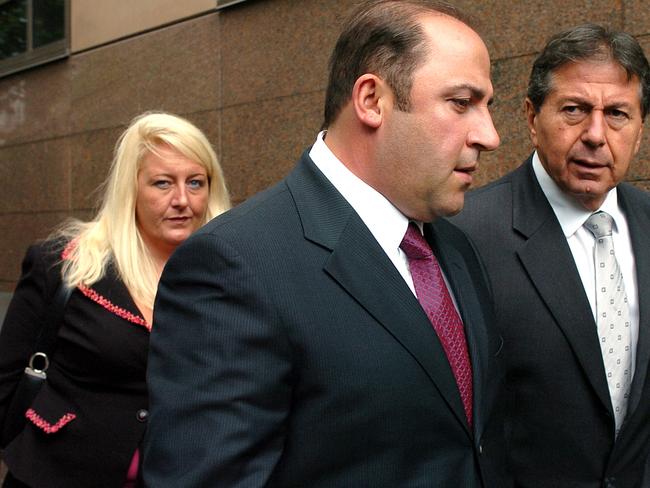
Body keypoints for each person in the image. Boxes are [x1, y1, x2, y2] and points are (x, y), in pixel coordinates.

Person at [143, 1, 509, 486]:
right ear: (372, 101)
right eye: (461, 103)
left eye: (487, 107)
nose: (490, 135)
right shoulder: (235, 265)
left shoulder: (456, 249)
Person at [452, 24, 650, 487]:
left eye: (618, 113)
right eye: (575, 110)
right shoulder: (463, 238)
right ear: (531, 117)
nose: (596, 135)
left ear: (640, 130)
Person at [0, 111, 230, 487]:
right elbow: (6, 379)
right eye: (161, 183)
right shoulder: (65, 264)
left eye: (196, 182)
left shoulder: (229, 276)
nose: (182, 200)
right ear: (131, 189)